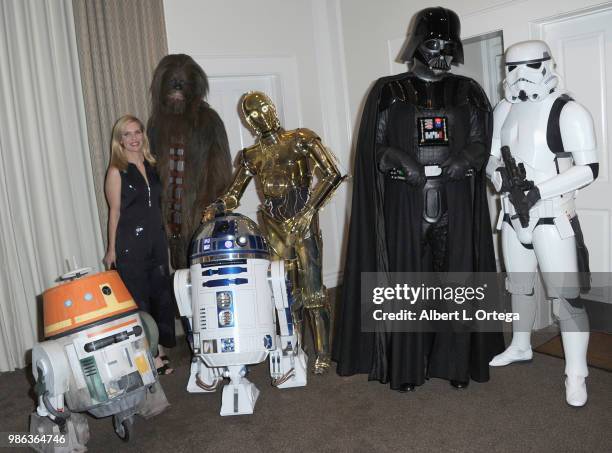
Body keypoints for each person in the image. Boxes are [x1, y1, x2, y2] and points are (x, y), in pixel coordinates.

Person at [333, 7, 505, 391]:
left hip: (456, 200)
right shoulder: (389, 91)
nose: (441, 53)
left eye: (448, 45)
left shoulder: (469, 91)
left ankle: (456, 364)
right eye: (433, 43)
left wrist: (466, 160)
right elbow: (372, 149)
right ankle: (407, 367)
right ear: (416, 45)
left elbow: (481, 141)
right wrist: (397, 159)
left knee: (456, 277)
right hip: (405, 201)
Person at [486, 40, 598, 407]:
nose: (519, 77)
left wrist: (540, 189)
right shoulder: (503, 109)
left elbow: (589, 169)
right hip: (512, 213)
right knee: (518, 286)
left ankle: (576, 373)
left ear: (547, 65)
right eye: (512, 68)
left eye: (530, 66)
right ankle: (520, 345)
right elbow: (490, 158)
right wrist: (499, 178)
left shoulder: (568, 111)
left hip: (552, 216)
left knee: (567, 297)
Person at [203, 91, 345, 374]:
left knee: (314, 292)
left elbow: (333, 173)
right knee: (284, 290)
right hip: (273, 226)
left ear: (272, 108)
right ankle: (294, 347)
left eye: (262, 108)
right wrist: (217, 206)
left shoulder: (300, 139)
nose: (259, 116)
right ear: (247, 122)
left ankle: (323, 352)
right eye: (251, 114)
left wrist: (308, 213)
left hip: (302, 221)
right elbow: (234, 193)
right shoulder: (251, 156)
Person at [103, 114, 176, 374]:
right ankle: (151, 355)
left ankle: (161, 348)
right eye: (128, 134)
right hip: (130, 244)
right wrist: (111, 249)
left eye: (137, 132)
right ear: (119, 140)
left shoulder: (152, 166)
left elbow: (158, 207)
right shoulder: (116, 170)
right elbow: (114, 212)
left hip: (156, 241)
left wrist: (166, 237)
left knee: (161, 296)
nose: (134, 138)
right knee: (140, 301)